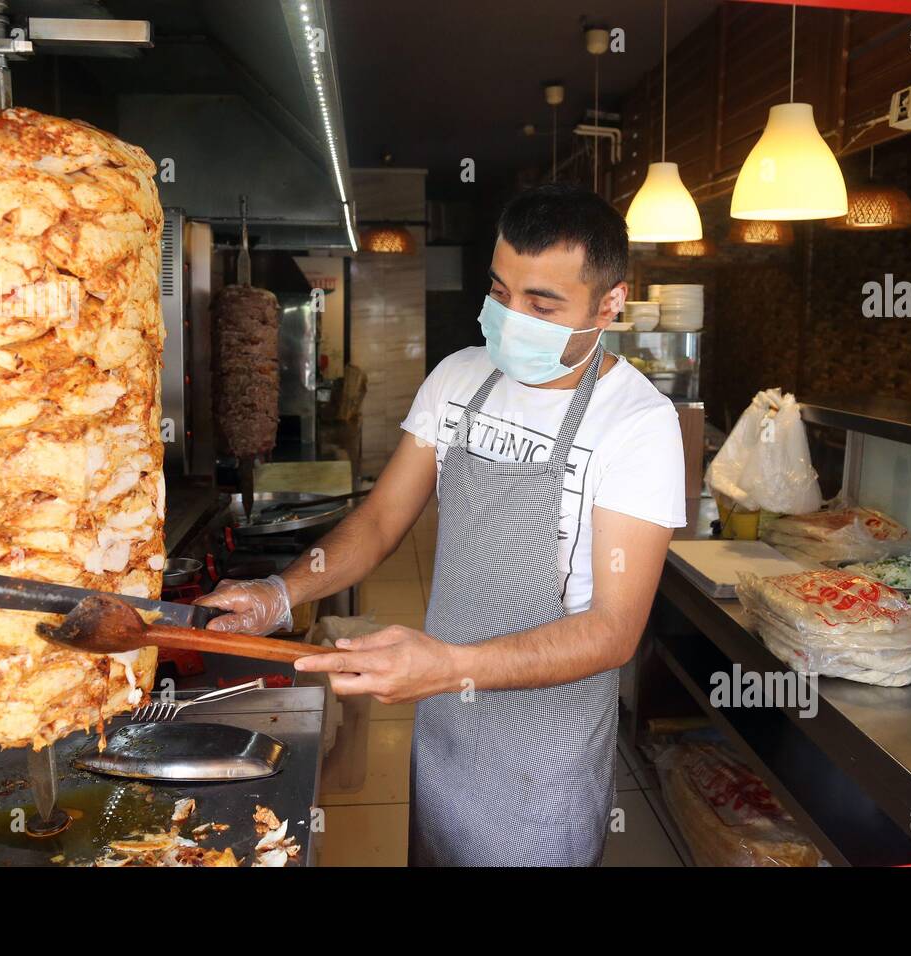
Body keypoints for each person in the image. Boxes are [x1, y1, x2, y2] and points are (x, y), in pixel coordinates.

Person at [196, 182, 687, 865]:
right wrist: (281, 594)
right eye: (500, 291)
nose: (511, 318)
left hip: (542, 760)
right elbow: (379, 521)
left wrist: (450, 665)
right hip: (445, 727)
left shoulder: (636, 425)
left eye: (542, 304)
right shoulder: (459, 378)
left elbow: (612, 632)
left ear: (611, 304)